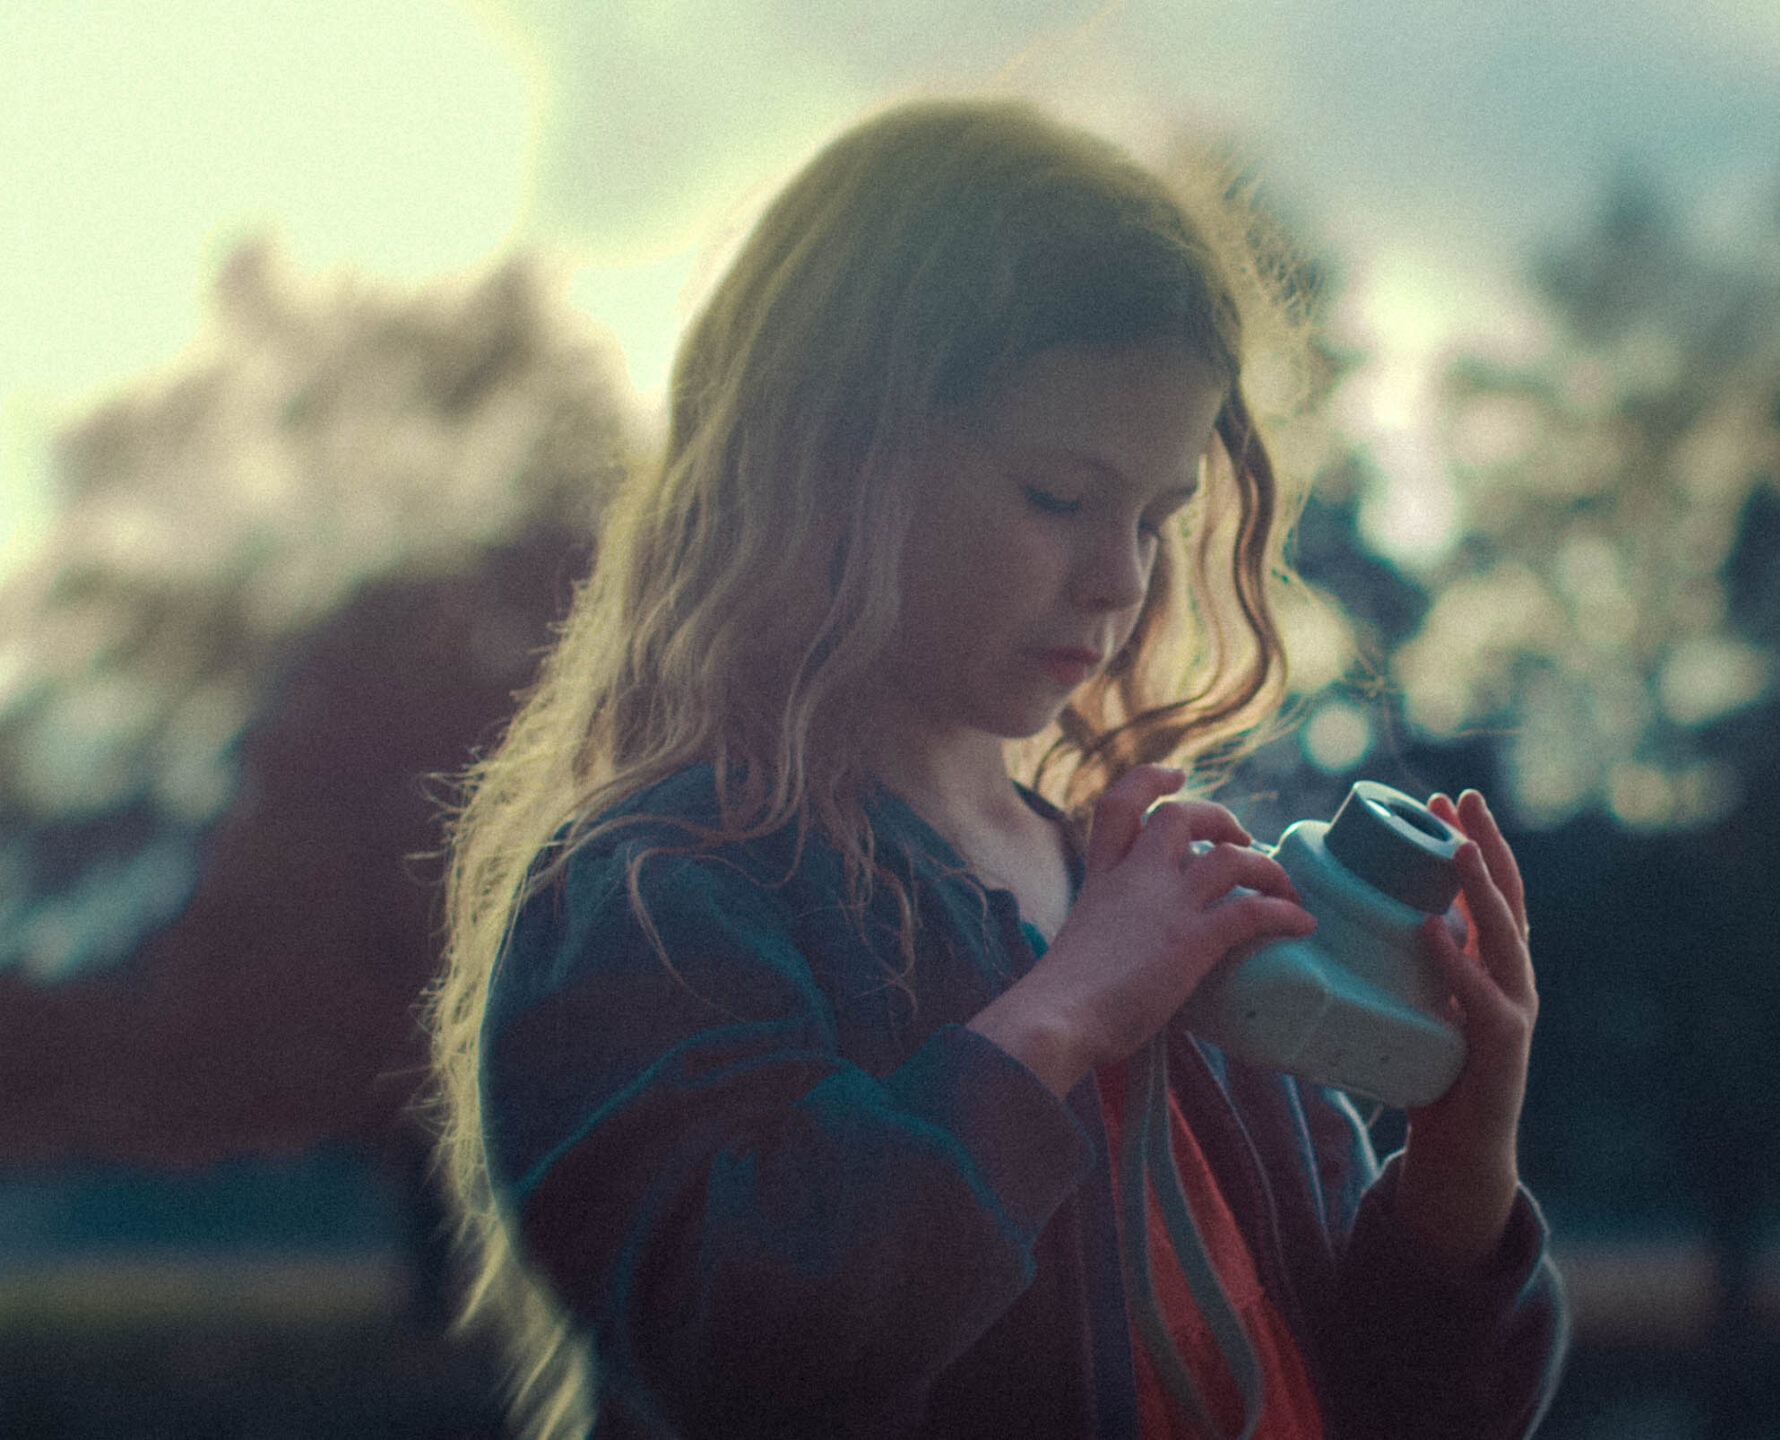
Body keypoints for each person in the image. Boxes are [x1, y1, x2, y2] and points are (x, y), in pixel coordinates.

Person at [426, 98, 1566, 1440]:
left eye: (1156, 517)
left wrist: (1461, 1166)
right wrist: (1067, 1010)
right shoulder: (661, 892)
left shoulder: (1160, 903)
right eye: (1058, 498)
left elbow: (1382, 1410)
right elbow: (745, 1341)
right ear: (830, 455)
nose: (1121, 578)